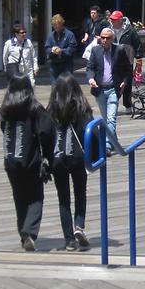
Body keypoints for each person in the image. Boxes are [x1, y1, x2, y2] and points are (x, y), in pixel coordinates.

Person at [0, 73, 54, 252]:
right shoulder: (35, 108)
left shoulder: (5, 107)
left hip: (11, 160)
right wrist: (48, 157)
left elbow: (3, 129)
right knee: (35, 197)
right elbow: (47, 132)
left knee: (19, 197)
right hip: (31, 159)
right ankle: (29, 231)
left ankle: (23, 232)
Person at [46, 74, 93, 251]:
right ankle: (79, 226)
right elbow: (92, 130)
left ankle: (68, 241)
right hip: (78, 156)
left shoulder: (51, 110)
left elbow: (46, 134)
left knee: (63, 199)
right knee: (80, 193)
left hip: (58, 157)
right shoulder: (82, 107)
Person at [85, 27, 134, 156]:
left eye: (107, 38)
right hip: (99, 90)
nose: (105, 40)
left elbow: (128, 69)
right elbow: (90, 68)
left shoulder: (119, 50)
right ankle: (114, 140)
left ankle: (106, 145)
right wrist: (90, 79)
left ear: (112, 39)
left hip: (113, 89)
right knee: (106, 119)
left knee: (111, 119)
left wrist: (125, 81)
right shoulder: (95, 51)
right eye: (102, 37)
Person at [44, 14, 77, 83]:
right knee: (54, 87)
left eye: (57, 24)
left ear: (62, 23)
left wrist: (61, 51)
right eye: (54, 25)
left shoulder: (69, 34)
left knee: (67, 85)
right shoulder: (51, 36)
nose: (56, 26)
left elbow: (72, 48)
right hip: (54, 64)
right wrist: (52, 50)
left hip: (66, 64)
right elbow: (47, 48)